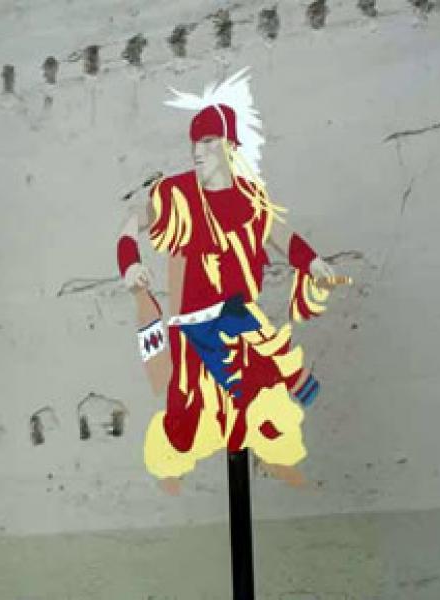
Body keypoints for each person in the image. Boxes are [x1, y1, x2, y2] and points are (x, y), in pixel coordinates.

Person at [116, 70, 346, 495]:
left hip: (238, 320)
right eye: (194, 142)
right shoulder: (178, 194)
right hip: (192, 328)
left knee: (268, 395)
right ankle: (171, 463)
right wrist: (130, 263)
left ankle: (280, 455)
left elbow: (281, 235)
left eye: (207, 141)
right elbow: (134, 222)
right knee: (185, 419)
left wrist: (312, 262)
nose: (198, 151)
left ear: (229, 146)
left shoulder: (251, 198)